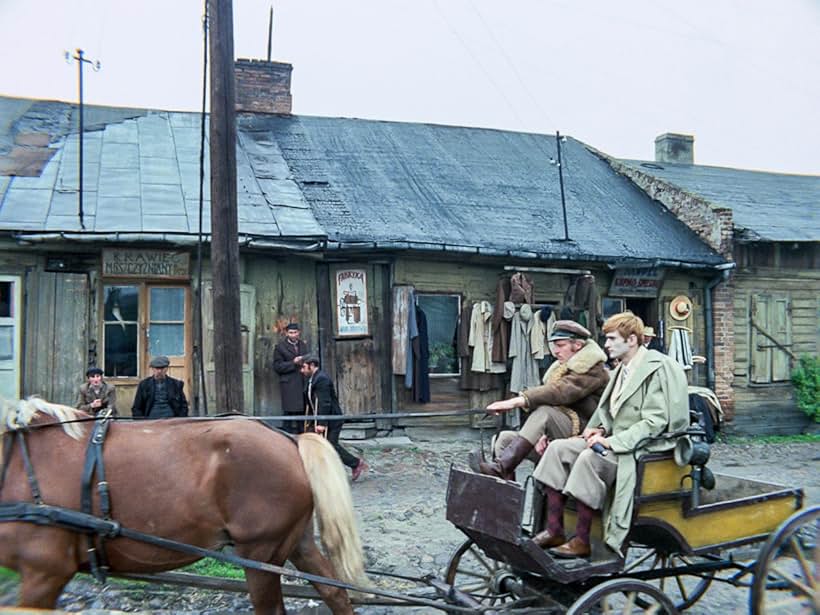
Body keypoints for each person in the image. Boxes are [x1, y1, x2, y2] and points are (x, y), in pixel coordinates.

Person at [530, 312, 689, 558]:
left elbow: (654, 422)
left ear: (632, 339)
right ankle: (554, 529)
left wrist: (610, 441)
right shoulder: (620, 371)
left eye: (613, 338)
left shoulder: (654, 369)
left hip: (640, 448)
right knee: (557, 449)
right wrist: (601, 429)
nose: (606, 344)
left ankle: (582, 540)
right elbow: (612, 414)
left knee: (589, 459)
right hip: (613, 441)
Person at [475, 320, 609, 481]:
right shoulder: (562, 367)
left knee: (544, 412)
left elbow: (561, 392)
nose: (555, 352)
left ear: (578, 345)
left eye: (560, 345)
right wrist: (540, 435)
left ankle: (501, 468)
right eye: (554, 346)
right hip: (559, 430)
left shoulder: (593, 369)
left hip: (583, 433)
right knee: (504, 439)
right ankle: (507, 494)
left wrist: (515, 401)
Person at [300, 354, 368, 481]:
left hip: (332, 419)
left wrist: (322, 422)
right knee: (317, 444)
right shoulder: (312, 379)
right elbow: (311, 401)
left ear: (312, 365)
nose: (302, 371)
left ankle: (355, 464)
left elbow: (325, 402)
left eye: (304, 367)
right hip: (318, 417)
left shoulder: (322, 379)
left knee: (330, 445)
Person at [273, 322, 309, 434]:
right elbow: (277, 366)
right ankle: (286, 436)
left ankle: (302, 434)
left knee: (302, 411)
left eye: (295, 332)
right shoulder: (280, 347)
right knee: (288, 412)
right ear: (286, 333)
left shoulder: (303, 345)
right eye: (290, 333)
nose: (293, 335)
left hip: (302, 381)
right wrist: (293, 363)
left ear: (299, 333)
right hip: (289, 384)